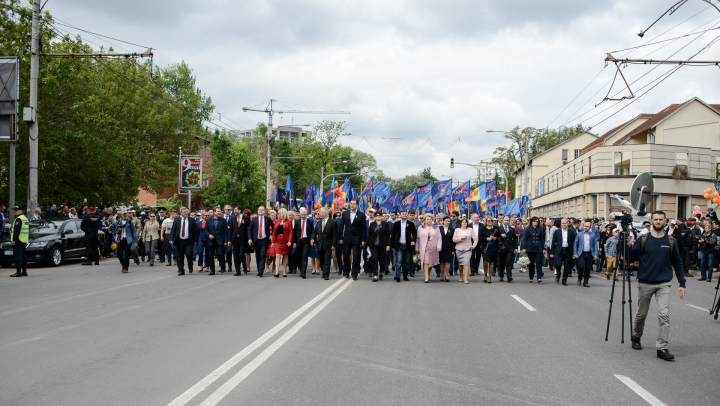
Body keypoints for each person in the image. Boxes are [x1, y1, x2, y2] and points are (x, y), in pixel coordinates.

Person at [628, 211, 686, 361]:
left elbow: (678, 263)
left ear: (665, 222)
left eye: (661, 219)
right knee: (641, 314)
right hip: (645, 282)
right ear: (651, 221)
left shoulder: (671, 240)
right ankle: (636, 336)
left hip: (663, 284)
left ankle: (661, 347)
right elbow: (631, 257)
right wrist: (627, 247)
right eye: (656, 219)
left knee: (664, 315)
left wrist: (682, 283)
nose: (658, 222)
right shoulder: (643, 239)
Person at [338, 198, 366, 281]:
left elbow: (363, 228)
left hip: (357, 238)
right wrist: (340, 237)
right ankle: (347, 270)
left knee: (356, 256)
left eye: (354, 204)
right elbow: (341, 226)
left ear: (357, 205)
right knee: (346, 255)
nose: (352, 205)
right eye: (351, 203)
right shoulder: (345, 214)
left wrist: (363, 240)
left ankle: (354, 273)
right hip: (346, 237)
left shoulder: (361, 214)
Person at [169, 207, 198, 275]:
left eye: (187, 211)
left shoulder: (191, 220)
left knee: (189, 254)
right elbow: (173, 230)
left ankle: (190, 266)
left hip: (188, 240)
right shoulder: (177, 220)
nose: (186, 213)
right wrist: (171, 239)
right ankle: (181, 269)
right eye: (184, 212)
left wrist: (195, 240)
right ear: (181, 213)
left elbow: (195, 231)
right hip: (179, 240)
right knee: (180, 256)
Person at [310, 207, 337, 280]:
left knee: (327, 259)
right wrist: (312, 238)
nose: (319, 214)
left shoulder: (332, 222)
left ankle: (326, 274)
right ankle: (323, 270)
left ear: (325, 213)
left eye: (320, 212)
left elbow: (335, 235)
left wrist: (333, 245)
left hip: (328, 244)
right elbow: (314, 232)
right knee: (321, 260)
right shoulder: (319, 222)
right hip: (320, 244)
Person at [390, 209, 416, 282]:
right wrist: (392, 246)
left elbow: (414, 233)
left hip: (408, 246)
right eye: (403, 214)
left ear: (407, 215)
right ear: (400, 215)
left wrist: (413, 240)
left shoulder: (410, 224)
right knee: (399, 261)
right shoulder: (396, 224)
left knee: (407, 262)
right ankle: (397, 276)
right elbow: (393, 236)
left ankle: (405, 275)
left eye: (405, 214)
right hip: (399, 245)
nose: (404, 215)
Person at [415, 213, 441, 283]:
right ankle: (426, 277)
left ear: (432, 220)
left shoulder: (436, 227)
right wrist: (416, 248)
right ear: (424, 220)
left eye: (430, 219)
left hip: (433, 247)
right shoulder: (421, 227)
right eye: (427, 219)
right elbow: (417, 238)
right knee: (425, 261)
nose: (429, 220)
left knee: (431, 261)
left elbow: (439, 237)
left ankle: (428, 274)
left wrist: (439, 246)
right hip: (424, 247)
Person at [573, 219, 598, 287]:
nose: (585, 227)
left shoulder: (592, 235)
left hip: (589, 254)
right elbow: (575, 244)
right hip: (581, 253)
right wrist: (575, 253)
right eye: (584, 226)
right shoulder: (579, 234)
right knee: (581, 266)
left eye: (587, 226)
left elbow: (595, 245)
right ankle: (580, 278)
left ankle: (586, 282)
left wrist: (596, 254)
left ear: (590, 227)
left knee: (587, 268)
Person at [248, 206, 273, 277]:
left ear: (265, 211)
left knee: (263, 255)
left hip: (264, 240)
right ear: (258, 211)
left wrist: (271, 234)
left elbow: (274, 227)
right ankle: (259, 269)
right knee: (258, 255)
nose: (261, 211)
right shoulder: (254, 219)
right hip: (256, 240)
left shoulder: (268, 219)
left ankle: (261, 270)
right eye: (260, 210)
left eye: (262, 210)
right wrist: (249, 239)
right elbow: (250, 229)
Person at [367, 209, 390, 282]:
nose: (378, 217)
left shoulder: (385, 224)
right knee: (374, 259)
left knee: (382, 260)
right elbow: (369, 235)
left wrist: (388, 245)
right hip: (374, 245)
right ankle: (375, 275)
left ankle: (381, 271)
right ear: (375, 216)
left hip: (382, 245)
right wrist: (368, 245)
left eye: (380, 215)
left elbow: (388, 236)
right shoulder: (372, 224)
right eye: (377, 215)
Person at [453, 217, 478, 284]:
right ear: (461, 223)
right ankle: (461, 275)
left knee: (466, 262)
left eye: (465, 222)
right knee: (460, 263)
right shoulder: (457, 230)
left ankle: (466, 278)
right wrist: (461, 238)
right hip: (459, 248)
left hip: (468, 248)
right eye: (463, 222)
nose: (464, 223)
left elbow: (475, 238)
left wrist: (473, 246)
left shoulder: (470, 229)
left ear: (467, 223)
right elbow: (454, 239)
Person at [521, 217, 546, 283]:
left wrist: (543, 248)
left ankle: (539, 278)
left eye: (537, 221)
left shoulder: (541, 228)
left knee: (538, 262)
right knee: (531, 263)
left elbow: (542, 239)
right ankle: (531, 277)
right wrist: (524, 247)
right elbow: (525, 238)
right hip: (530, 248)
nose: (535, 222)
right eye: (534, 221)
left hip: (538, 248)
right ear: (531, 222)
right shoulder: (527, 228)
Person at [292, 208, 314, 279]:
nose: (303, 216)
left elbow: (312, 232)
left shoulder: (310, 222)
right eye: (302, 215)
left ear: (306, 215)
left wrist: (312, 240)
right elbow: (294, 233)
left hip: (306, 241)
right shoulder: (297, 222)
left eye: (304, 214)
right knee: (299, 256)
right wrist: (294, 242)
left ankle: (304, 272)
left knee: (304, 256)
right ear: (300, 215)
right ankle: (301, 270)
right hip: (299, 241)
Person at [271, 208, 293, 278]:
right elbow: (274, 232)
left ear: (283, 214)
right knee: (277, 256)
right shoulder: (276, 221)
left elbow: (290, 232)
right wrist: (272, 242)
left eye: (279, 213)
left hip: (285, 241)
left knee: (285, 256)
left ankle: (284, 271)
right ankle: (277, 272)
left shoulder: (289, 222)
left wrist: (289, 241)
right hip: (278, 241)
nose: (278, 215)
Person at [228, 206, 249, 276]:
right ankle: (237, 271)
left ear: (239, 210)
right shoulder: (233, 219)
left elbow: (249, 229)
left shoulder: (246, 218)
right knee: (236, 255)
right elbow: (230, 230)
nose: (234, 211)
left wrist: (249, 238)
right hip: (235, 239)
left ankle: (244, 266)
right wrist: (229, 240)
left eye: (235, 210)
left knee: (241, 254)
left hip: (243, 239)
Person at [8, 206, 28, 277]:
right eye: (14, 210)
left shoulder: (19, 219)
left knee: (17, 256)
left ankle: (18, 271)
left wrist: (13, 240)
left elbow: (16, 231)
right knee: (23, 256)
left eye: (16, 210)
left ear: (21, 210)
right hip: (24, 240)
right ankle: (24, 271)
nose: (15, 211)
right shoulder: (25, 218)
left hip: (18, 240)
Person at [207, 207, 228, 275]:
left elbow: (225, 231)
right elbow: (206, 230)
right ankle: (212, 270)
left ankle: (222, 266)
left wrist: (225, 241)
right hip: (211, 240)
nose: (219, 212)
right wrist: (209, 235)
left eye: (220, 211)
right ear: (214, 212)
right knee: (210, 256)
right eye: (218, 211)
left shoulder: (223, 220)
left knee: (220, 254)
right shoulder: (209, 220)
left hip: (220, 240)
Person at [497, 215, 518, 283]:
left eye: (507, 220)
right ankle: (501, 275)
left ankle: (509, 276)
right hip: (501, 248)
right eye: (505, 220)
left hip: (509, 248)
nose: (506, 221)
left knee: (508, 263)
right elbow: (496, 237)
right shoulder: (498, 228)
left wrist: (515, 248)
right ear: (502, 220)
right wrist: (500, 236)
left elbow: (515, 239)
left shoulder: (511, 229)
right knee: (501, 263)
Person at [480, 216, 500, 283]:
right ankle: (485, 275)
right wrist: (486, 239)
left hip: (494, 247)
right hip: (485, 247)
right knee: (485, 262)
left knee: (492, 262)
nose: (490, 222)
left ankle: (489, 276)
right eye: (488, 221)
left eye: (491, 220)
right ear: (486, 221)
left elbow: (499, 237)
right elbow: (480, 237)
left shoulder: (496, 228)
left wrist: (495, 238)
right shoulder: (482, 228)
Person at [438, 217, 455, 282]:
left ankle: (446, 275)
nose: (447, 222)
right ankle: (442, 275)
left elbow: (453, 240)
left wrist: (453, 250)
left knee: (447, 262)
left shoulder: (452, 229)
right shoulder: (439, 228)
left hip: (449, 248)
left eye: (448, 221)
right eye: (446, 221)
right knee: (441, 262)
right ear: (443, 221)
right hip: (441, 248)